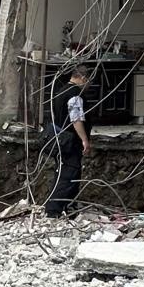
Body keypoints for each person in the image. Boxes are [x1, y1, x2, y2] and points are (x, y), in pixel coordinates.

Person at [44, 64, 93, 218]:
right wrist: (84, 140)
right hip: (69, 141)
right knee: (69, 174)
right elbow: (76, 119)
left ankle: (65, 206)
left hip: (60, 139)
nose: (88, 86)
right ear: (83, 78)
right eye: (89, 82)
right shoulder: (74, 95)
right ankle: (55, 210)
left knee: (64, 171)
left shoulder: (61, 90)